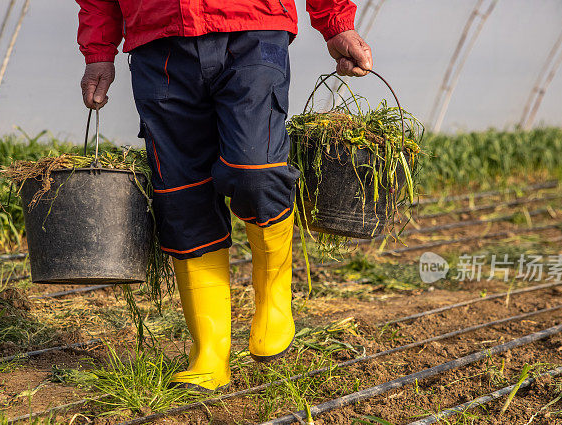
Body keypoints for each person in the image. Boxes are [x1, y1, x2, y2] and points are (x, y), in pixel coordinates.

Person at [76, 0, 373, 392]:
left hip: (252, 27)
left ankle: (274, 298)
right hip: (158, 42)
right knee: (181, 197)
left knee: (256, 172)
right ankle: (210, 354)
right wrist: (98, 50)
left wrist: (335, 21)